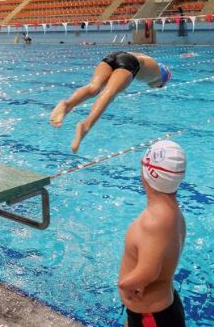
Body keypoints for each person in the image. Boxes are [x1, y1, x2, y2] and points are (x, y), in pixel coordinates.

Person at [119, 140, 187, 327]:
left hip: (152, 316)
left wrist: (125, 284)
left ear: (148, 172)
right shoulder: (172, 212)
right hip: (156, 310)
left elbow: (149, 272)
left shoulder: (154, 222)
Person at [50, 52, 171, 152]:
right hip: (130, 62)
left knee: (94, 87)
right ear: (162, 81)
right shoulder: (157, 76)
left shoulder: (150, 63)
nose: (156, 88)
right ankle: (86, 125)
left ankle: (67, 105)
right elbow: (154, 83)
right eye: (159, 86)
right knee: (109, 93)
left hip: (113, 56)